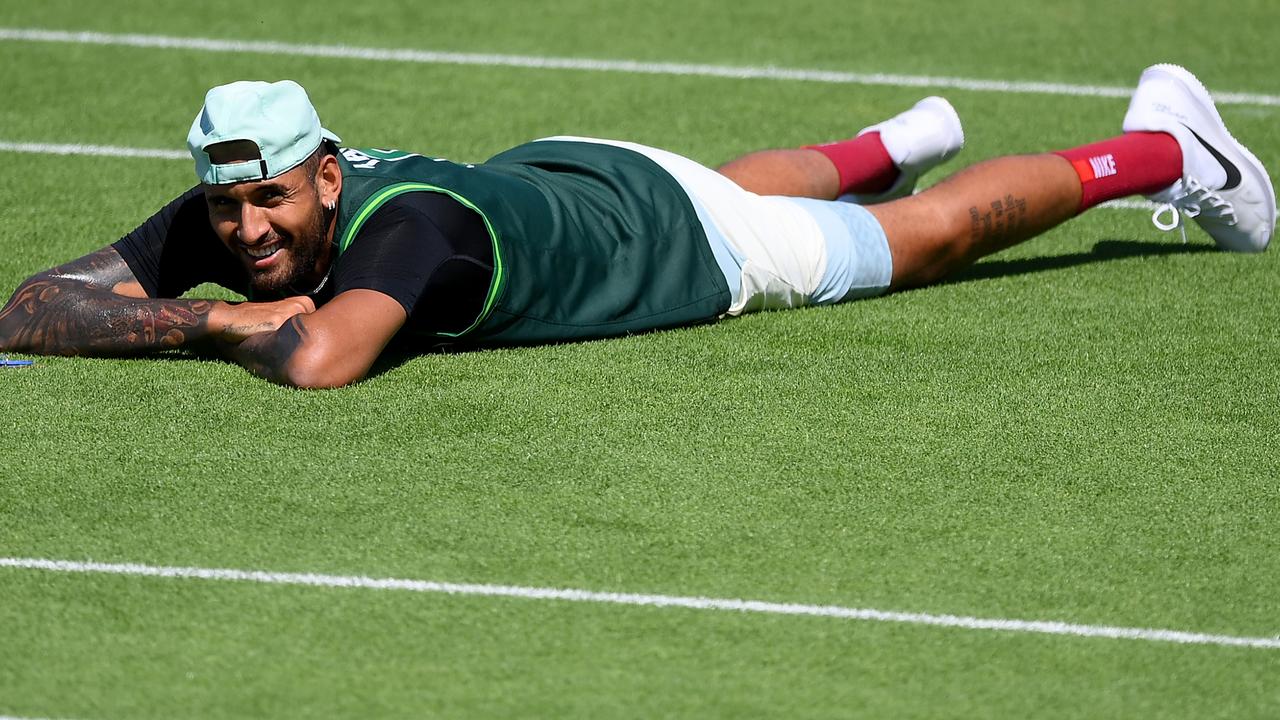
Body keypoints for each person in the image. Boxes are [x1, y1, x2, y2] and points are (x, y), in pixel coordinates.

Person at [0, 64, 1272, 388]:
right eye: (224, 210)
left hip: (691, 243)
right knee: (727, 178)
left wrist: (228, 327)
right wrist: (225, 305)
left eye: (267, 202)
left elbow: (325, 356)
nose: (246, 233)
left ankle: (1163, 144)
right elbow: (26, 306)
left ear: (327, 176)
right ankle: (886, 137)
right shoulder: (237, 214)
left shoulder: (408, 227)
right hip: (587, 172)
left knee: (926, 238)